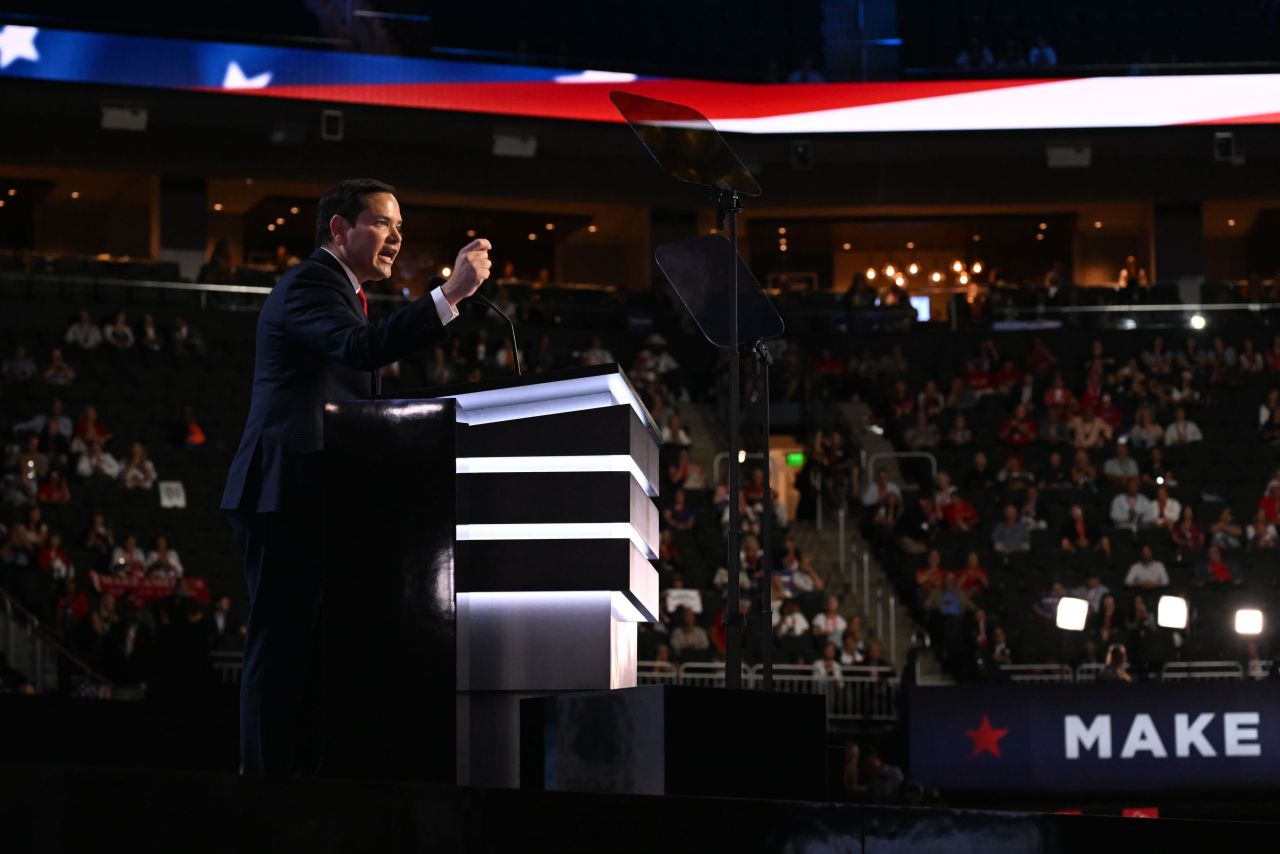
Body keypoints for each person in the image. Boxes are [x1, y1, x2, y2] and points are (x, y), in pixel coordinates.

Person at [220, 179, 491, 776]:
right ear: (339, 230)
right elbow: (359, 348)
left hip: (319, 490)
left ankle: (299, 779)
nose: (397, 237)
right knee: (281, 640)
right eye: (383, 223)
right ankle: (262, 787)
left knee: (311, 647)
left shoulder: (341, 291)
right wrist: (448, 297)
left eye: (401, 227)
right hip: (283, 487)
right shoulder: (309, 284)